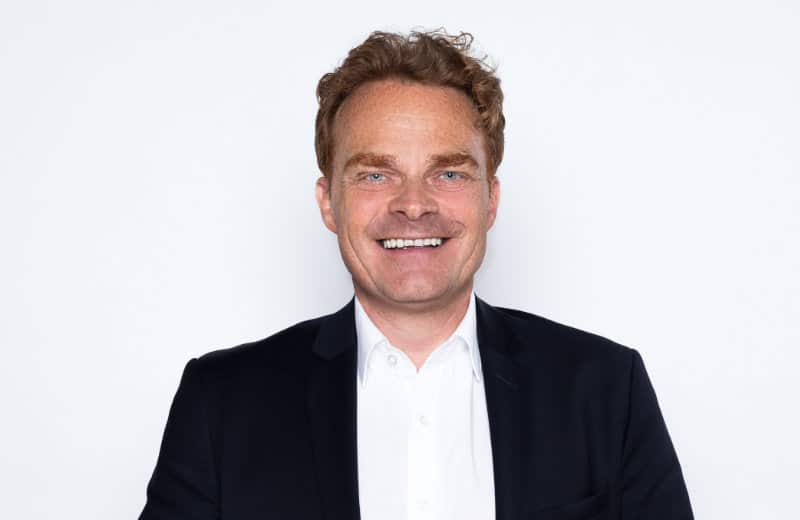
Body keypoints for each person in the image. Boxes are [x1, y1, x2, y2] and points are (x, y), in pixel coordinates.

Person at [139, 29, 694, 520]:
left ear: (490, 199)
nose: (413, 204)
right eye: (375, 175)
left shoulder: (605, 390)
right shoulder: (221, 403)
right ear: (328, 202)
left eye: (448, 173)